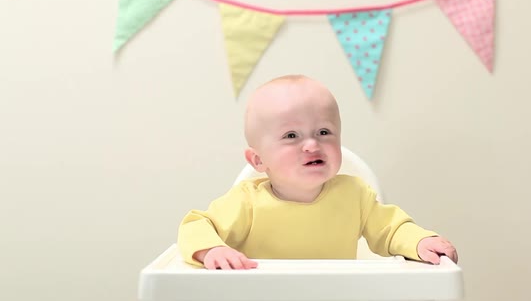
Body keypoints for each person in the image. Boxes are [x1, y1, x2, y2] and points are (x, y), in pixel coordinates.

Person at [178, 74, 458, 270]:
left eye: (324, 132)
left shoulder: (355, 195)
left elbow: (391, 229)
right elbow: (195, 226)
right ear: (258, 160)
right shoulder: (245, 202)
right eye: (291, 135)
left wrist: (420, 242)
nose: (312, 144)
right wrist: (212, 250)